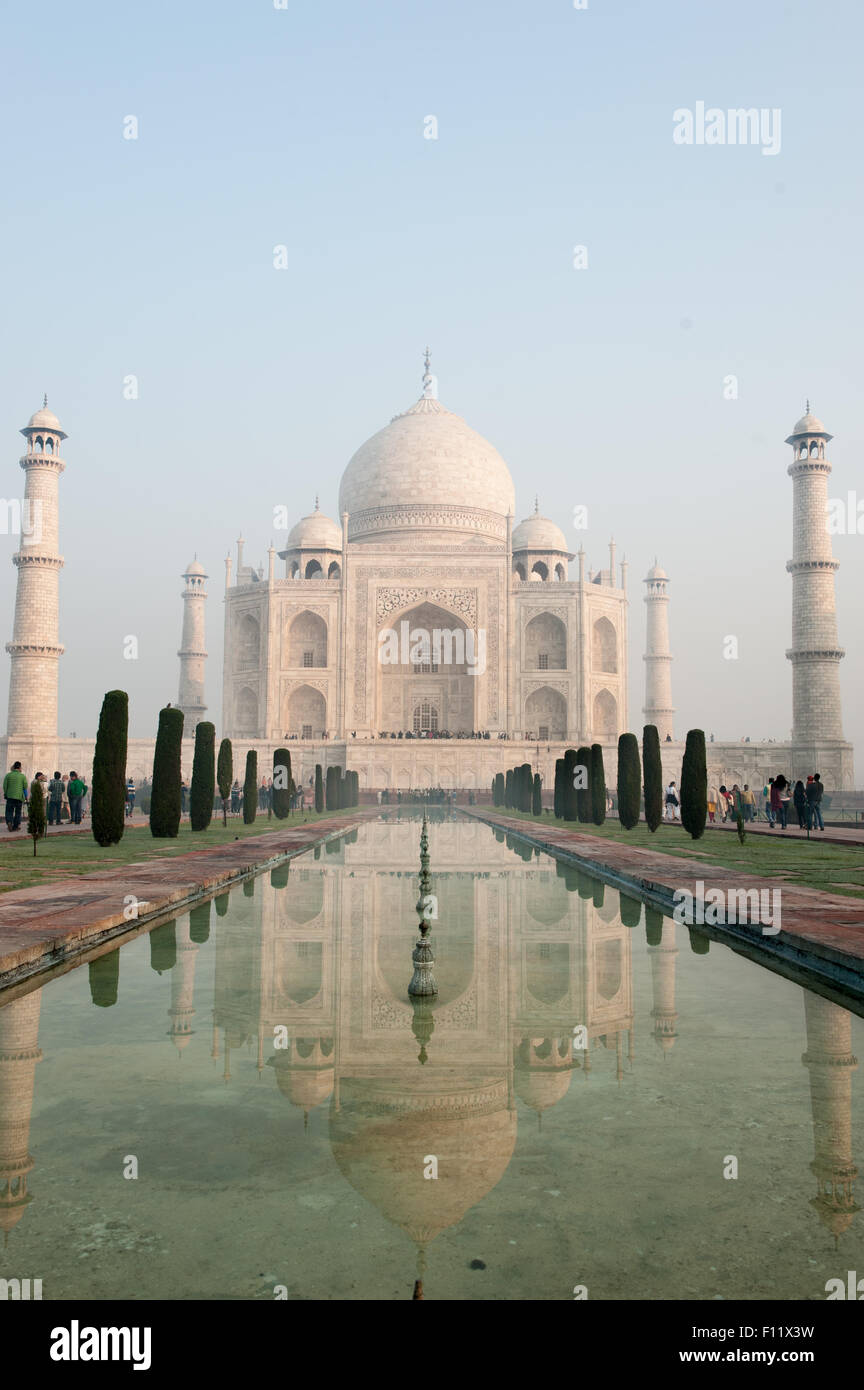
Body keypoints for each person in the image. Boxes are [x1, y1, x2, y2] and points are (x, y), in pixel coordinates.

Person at [4, 761, 28, 831]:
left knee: (9, 811)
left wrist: (6, 793)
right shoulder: (22, 776)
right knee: (18, 812)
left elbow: (5, 786)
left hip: (10, 796)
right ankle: (15, 826)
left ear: (14, 767)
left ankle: (9, 822)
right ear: (20, 767)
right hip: (19, 797)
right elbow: (25, 786)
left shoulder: (8, 775)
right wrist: (26, 797)